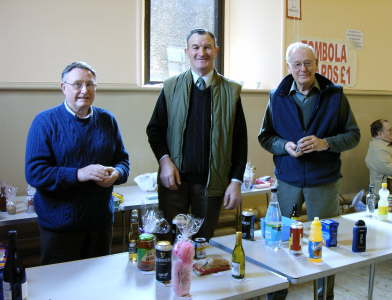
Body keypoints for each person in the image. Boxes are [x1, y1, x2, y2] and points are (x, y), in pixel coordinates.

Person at [258, 42, 360, 300]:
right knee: (280, 240)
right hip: (288, 183)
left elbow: (354, 136)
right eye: (297, 64)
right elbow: (265, 137)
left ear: (317, 64)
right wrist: (285, 146)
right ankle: (276, 294)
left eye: (308, 63)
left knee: (326, 244)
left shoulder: (335, 96)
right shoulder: (276, 96)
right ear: (288, 66)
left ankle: (324, 296)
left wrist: (326, 143)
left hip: (323, 184)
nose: (303, 69)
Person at [146, 29, 247, 240]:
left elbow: (240, 142)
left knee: (202, 244)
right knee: (170, 242)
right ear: (187, 51)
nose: (202, 52)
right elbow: (154, 130)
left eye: (207, 46)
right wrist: (164, 161)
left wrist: (236, 181)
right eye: (196, 47)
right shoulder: (171, 87)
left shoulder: (231, 91)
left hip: (212, 185)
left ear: (216, 51)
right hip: (174, 184)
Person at [25, 61, 130, 265]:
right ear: (63, 87)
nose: (84, 90)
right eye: (77, 84)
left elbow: (123, 161)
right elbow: (35, 173)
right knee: (59, 290)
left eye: (90, 84)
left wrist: (116, 173)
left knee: (98, 287)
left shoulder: (108, 120)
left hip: (100, 224)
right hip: (60, 227)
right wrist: (79, 174)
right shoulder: (44, 122)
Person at [365, 119, 392, 195]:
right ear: (380, 133)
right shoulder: (378, 149)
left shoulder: (388, 145)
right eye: (389, 130)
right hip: (386, 198)